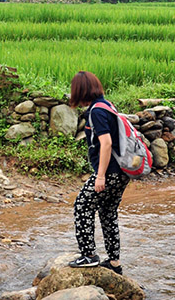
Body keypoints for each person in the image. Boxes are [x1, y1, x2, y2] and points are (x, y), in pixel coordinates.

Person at [67, 71, 130, 275]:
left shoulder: (97, 111)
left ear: (81, 90)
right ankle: (114, 262)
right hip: (122, 171)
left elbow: (106, 143)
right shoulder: (107, 105)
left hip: (110, 172)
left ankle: (89, 255)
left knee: (82, 205)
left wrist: (100, 175)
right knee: (107, 212)